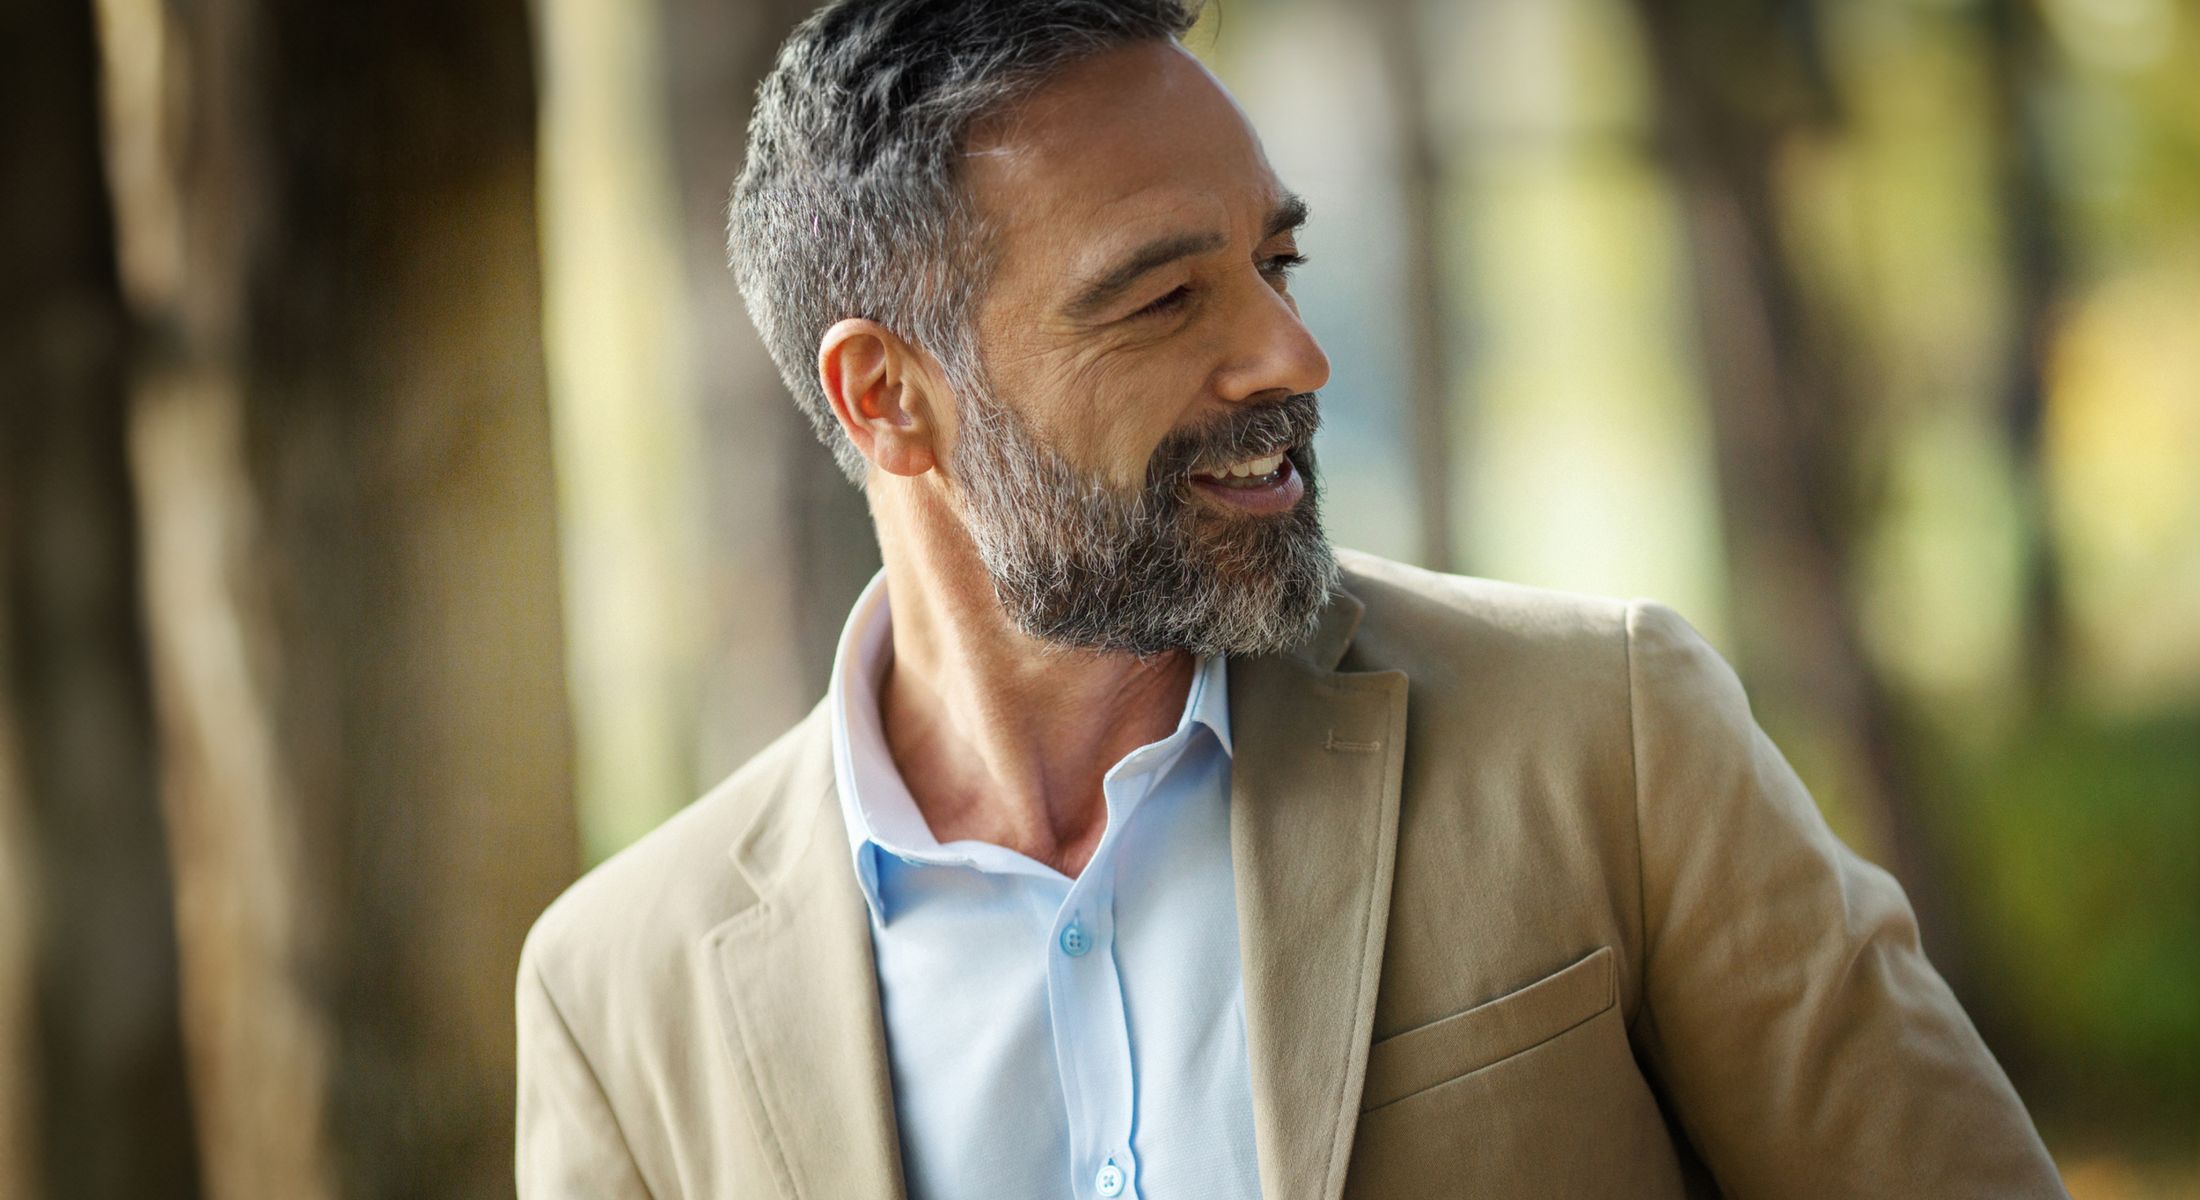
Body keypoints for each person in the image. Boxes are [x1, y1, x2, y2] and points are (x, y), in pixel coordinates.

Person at [514, 1, 2066, 1196]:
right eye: (1166, 298)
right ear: (887, 398)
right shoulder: (619, 992)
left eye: (1278, 263)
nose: (1290, 357)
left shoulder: (1611, 740)